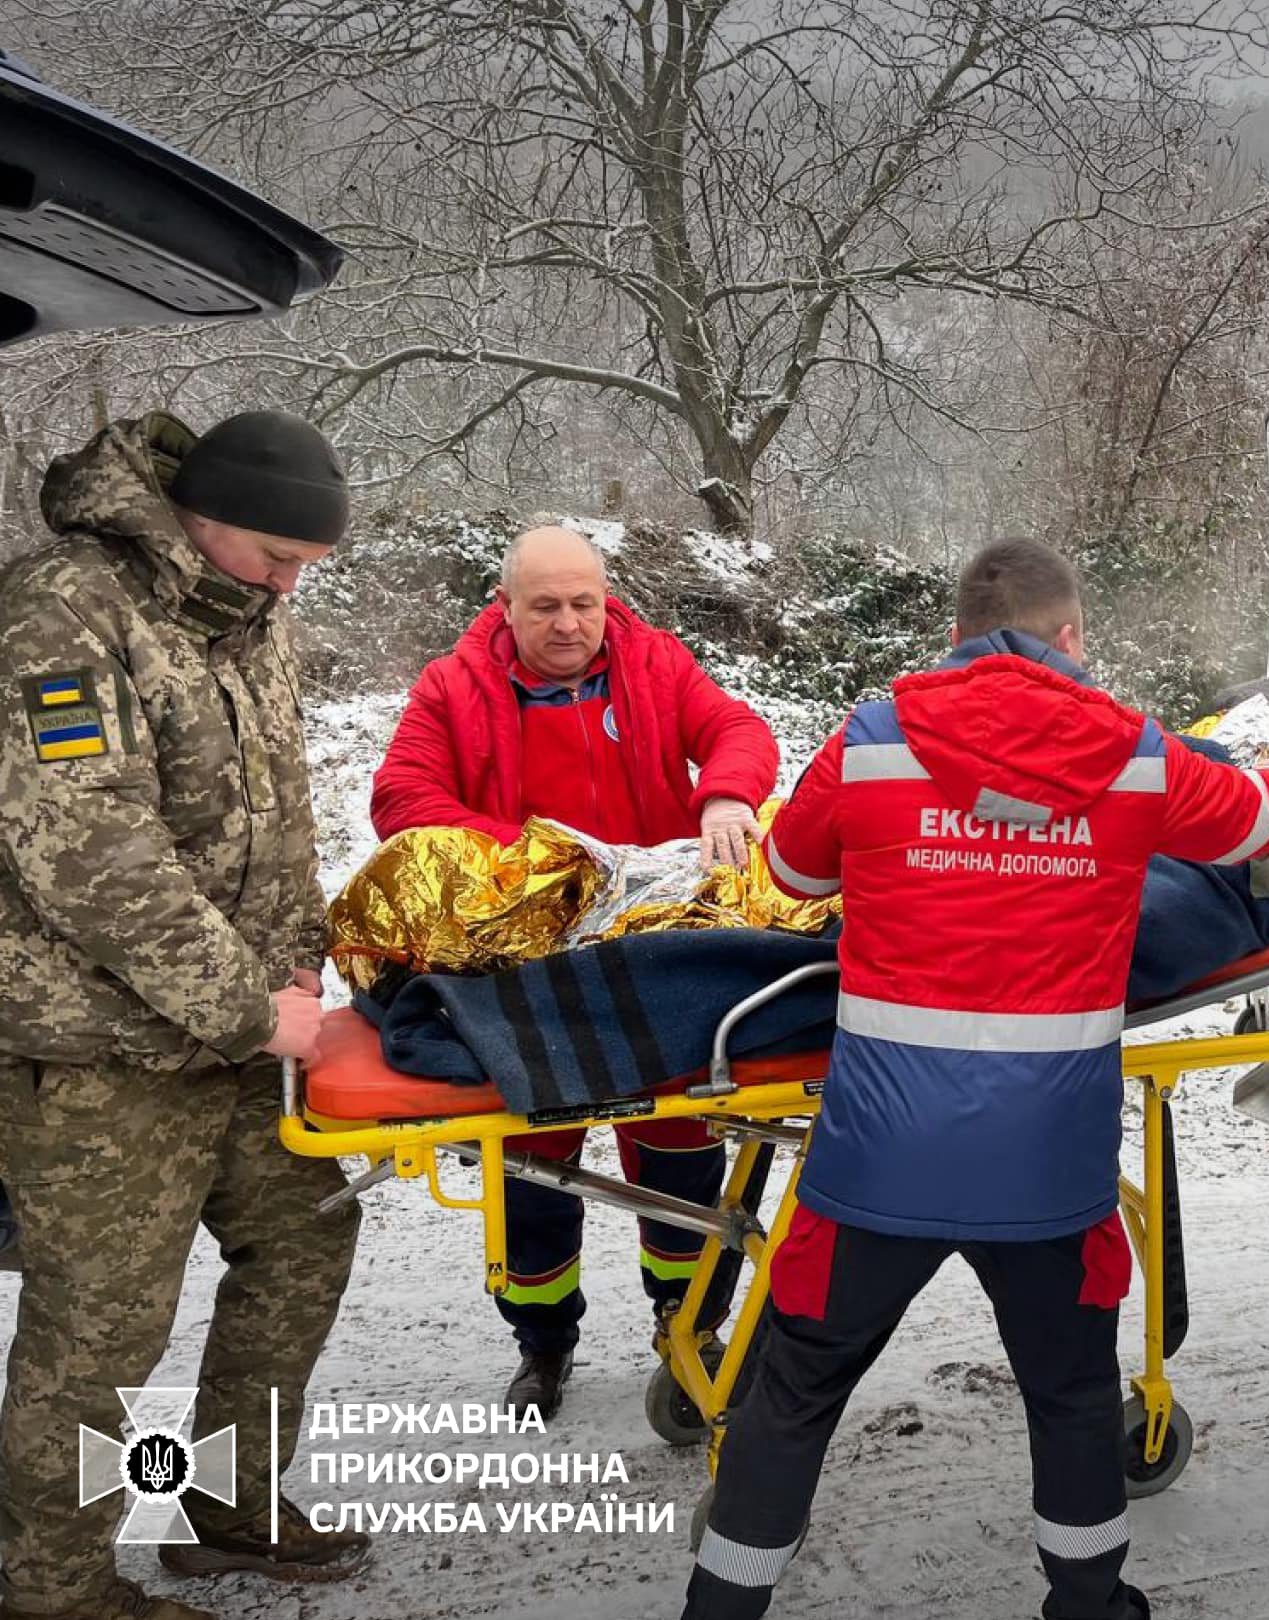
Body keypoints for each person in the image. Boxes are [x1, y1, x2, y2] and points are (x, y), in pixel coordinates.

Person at [681, 537, 1269, 1620]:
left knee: (793, 1396)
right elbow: (1257, 821)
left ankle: (720, 1610)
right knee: (1070, 1397)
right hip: (1048, 1174)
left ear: (957, 640)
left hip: (874, 1166)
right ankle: (1088, 1605)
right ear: (1071, 638)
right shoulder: (1136, 754)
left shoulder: (872, 741)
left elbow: (789, 870)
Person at [0, 410, 369, 1620]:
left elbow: (280, 804)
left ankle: (232, 1507)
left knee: (303, 1248)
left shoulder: (251, 609)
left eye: (307, 565)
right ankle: (52, 1589)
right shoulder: (64, 607)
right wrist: (242, 1004)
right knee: (102, 1325)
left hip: (254, 1034)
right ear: (198, 516)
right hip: (105, 1048)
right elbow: (87, 849)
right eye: (276, 555)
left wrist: (302, 972)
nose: (291, 582)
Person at [371, 525, 780, 1418]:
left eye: (583, 604)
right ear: (505, 605)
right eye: (545, 606)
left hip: (656, 952)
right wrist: (533, 862)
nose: (567, 624)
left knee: (678, 1152)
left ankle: (688, 1324)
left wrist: (724, 791)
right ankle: (544, 1343)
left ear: (607, 600)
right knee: (530, 1168)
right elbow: (403, 798)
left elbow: (737, 729)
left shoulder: (656, 663)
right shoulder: (453, 686)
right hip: (524, 963)